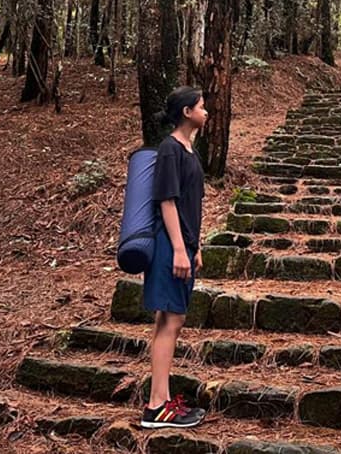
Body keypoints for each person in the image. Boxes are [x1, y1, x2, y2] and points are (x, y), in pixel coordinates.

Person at [140, 86, 209, 429]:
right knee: (171, 321)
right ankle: (156, 406)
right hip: (170, 246)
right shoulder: (170, 149)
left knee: (167, 319)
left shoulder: (188, 150)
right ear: (186, 112)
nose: (206, 111)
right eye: (201, 106)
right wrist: (180, 249)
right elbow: (166, 201)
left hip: (182, 244)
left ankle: (161, 402)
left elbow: (188, 206)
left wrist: (195, 247)